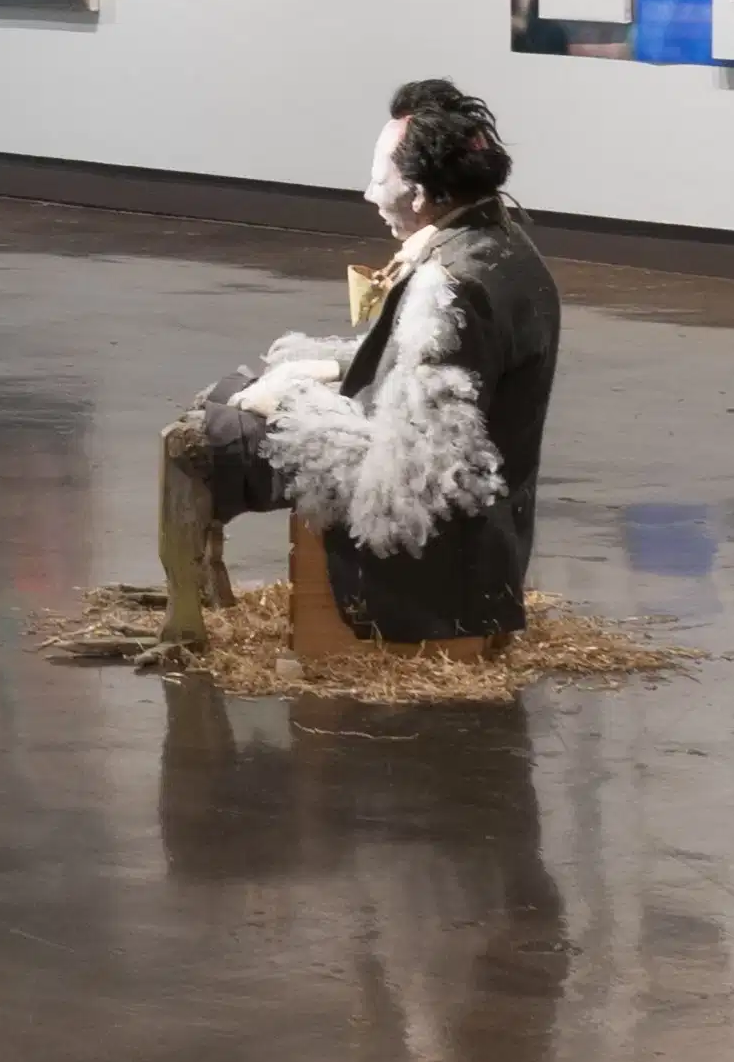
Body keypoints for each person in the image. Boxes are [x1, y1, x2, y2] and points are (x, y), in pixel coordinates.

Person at [157, 80, 565, 655]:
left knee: (193, 439)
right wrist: (322, 369)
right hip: (483, 489)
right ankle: (204, 583)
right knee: (233, 392)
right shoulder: (495, 237)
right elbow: (428, 369)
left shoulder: (451, 283)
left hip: (441, 530)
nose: (369, 194)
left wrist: (294, 404)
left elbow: (409, 469)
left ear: (419, 194)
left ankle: (182, 620)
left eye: (379, 180)